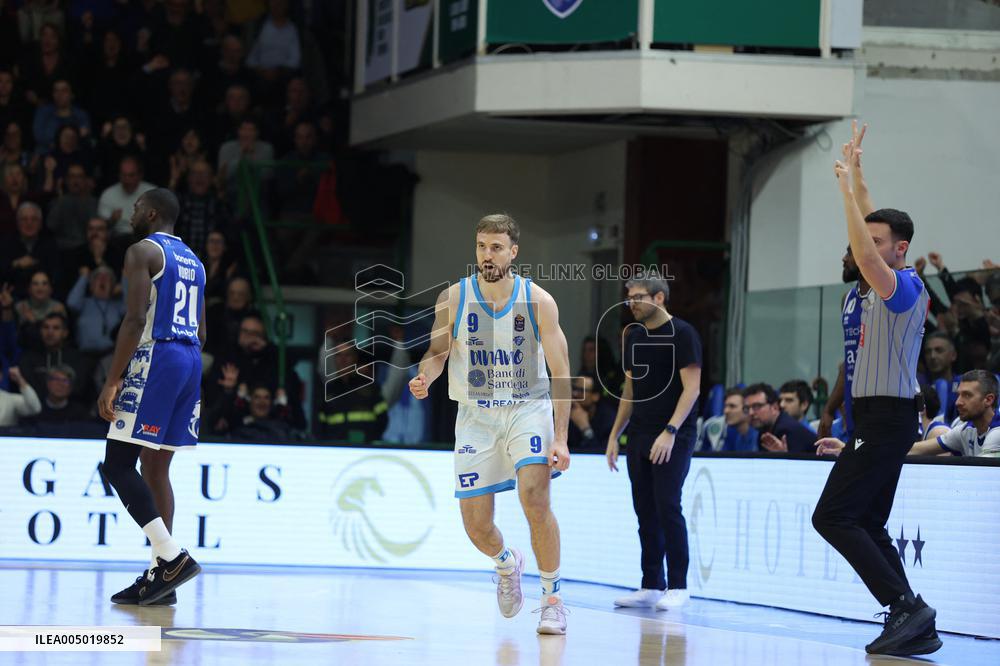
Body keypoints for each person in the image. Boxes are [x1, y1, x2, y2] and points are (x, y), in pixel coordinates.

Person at [408, 213, 571, 635]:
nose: (487, 254)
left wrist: (563, 437)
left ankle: (552, 598)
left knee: (535, 497)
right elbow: (437, 351)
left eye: (496, 247)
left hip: (526, 408)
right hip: (476, 415)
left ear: (513, 252)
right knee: (477, 526)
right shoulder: (453, 298)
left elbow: (562, 370)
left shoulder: (538, 301)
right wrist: (426, 375)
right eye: (481, 246)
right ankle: (506, 563)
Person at [812, 122, 938, 656]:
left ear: (901, 249)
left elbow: (870, 252)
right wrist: (858, 175)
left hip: (890, 416)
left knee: (833, 516)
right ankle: (913, 619)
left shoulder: (904, 285)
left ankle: (907, 606)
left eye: (878, 239)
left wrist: (842, 191)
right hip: (871, 419)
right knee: (866, 519)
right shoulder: (866, 287)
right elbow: (872, 238)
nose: (862, 243)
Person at [96, 187, 204, 606]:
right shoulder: (195, 261)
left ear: (153, 213)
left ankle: (172, 557)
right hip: (191, 359)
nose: (131, 212)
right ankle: (163, 578)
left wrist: (112, 380)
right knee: (157, 468)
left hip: (157, 356)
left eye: (137, 207)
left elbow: (135, 318)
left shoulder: (142, 251)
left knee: (117, 464)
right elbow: (202, 328)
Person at [606, 276, 701, 612]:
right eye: (628, 297)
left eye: (638, 297)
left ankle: (678, 584)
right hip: (641, 434)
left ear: (659, 297)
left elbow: (692, 389)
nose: (630, 302)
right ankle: (651, 583)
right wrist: (615, 435)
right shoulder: (632, 335)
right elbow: (629, 391)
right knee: (644, 508)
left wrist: (671, 431)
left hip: (674, 436)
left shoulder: (683, 333)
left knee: (667, 505)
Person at [818, 370, 999, 459]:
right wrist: (849, 450)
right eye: (958, 394)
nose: (958, 402)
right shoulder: (965, 431)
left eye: (967, 395)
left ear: (988, 400)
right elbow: (909, 450)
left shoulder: (996, 433)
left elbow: (979, 480)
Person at [819, 245, 871, 441]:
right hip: (852, 406)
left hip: (878, 407)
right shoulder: (847, 298)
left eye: (850, 252)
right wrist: (829, 409)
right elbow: (849, 363)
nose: (843, 258)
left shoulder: (884, 297)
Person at [744, 383, 816, 453]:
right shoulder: (764, 428)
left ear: (774, 407)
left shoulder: (787, 430)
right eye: (747, 408)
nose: (751, 413)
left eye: (757, 406)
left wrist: (783, 456)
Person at [699, 387, 758, 452]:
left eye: (732, 406)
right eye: (725, 406)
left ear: (747, 409)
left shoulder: (759, 438)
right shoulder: (731, 435)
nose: (725, 411)